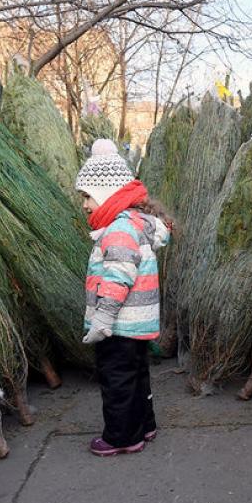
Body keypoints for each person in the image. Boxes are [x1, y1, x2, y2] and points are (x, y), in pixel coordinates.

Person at [75, 139, 172, 457]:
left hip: (118, 325)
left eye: (87, 196)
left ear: (106, 194)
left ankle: (121, 437)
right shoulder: (133, 224)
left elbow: (117, 279)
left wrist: (102, 319)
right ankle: (144, 425)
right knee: (137, 377)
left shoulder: (118, 230)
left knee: (117, 380)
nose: (85, 205)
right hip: (137, 324)